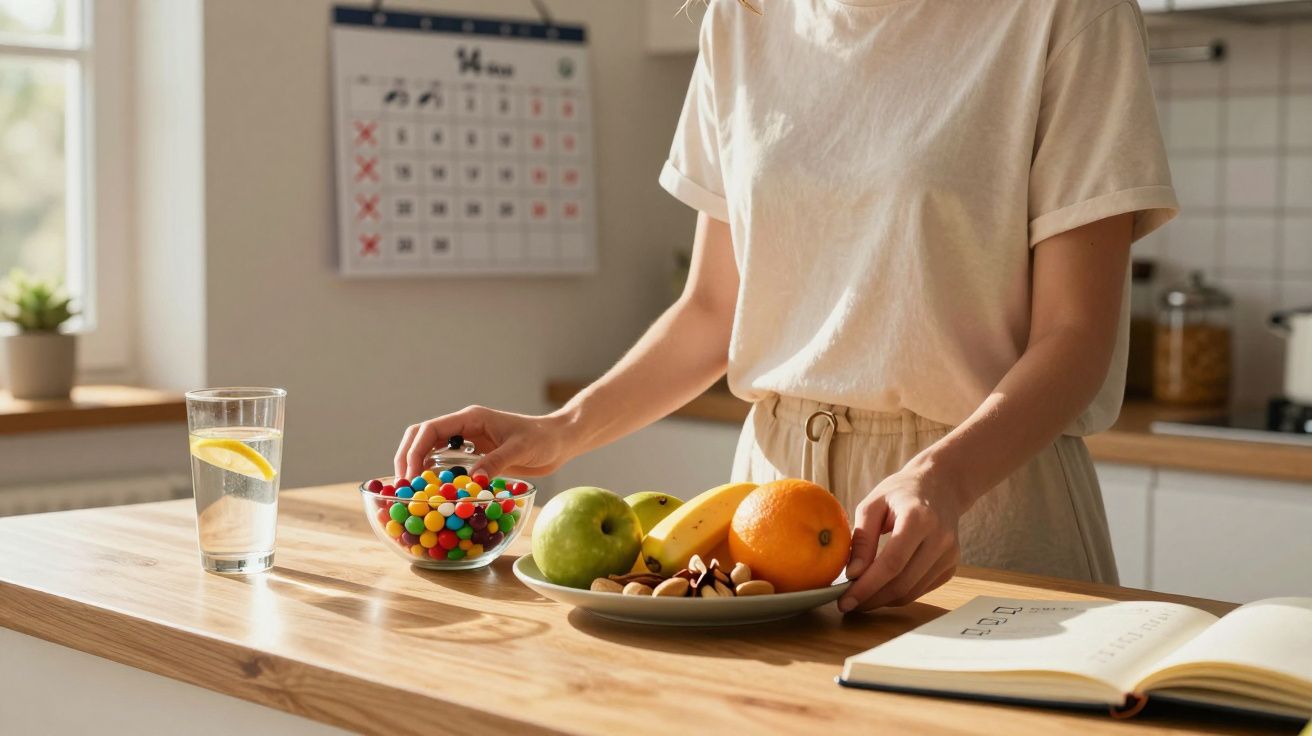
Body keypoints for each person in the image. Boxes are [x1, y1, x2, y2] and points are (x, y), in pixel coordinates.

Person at [395, 0, 1176, 613]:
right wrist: (562, 430)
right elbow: (712, 310)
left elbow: (1077, 338)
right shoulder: (743, 19)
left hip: (982, 501)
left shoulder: (1069, 15)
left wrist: (943, 478)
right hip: (763, 514)